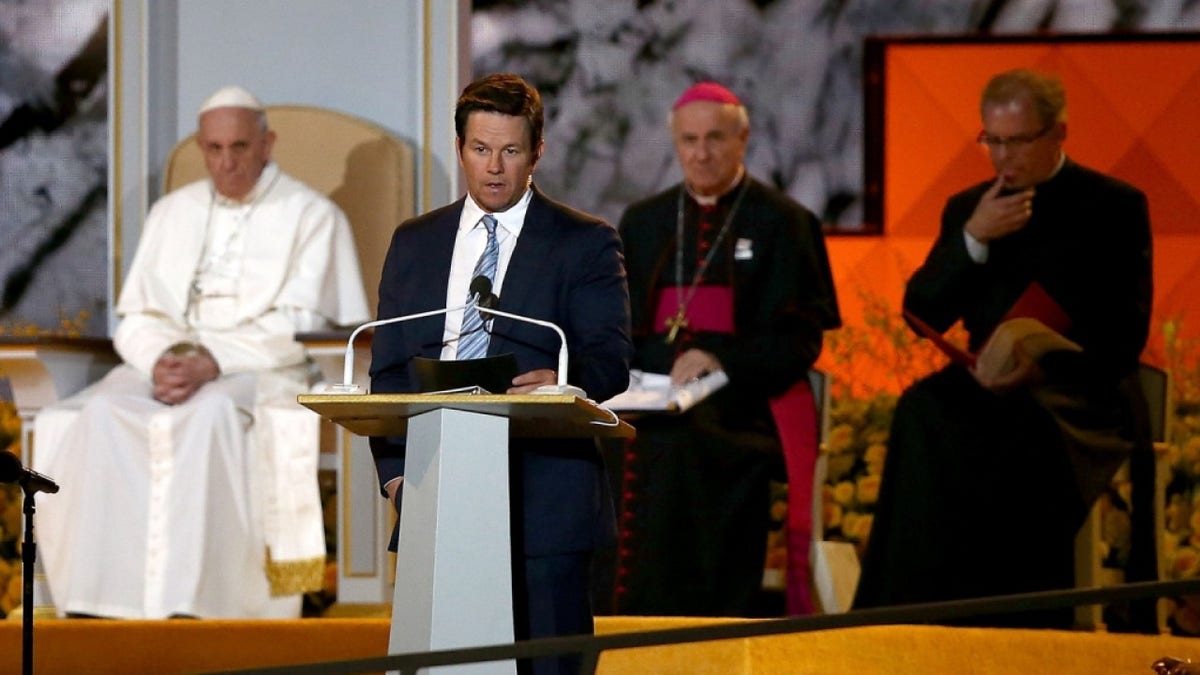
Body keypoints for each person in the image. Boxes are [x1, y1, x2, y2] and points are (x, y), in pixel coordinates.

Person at [32, 85, 370, 619]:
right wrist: (161, 361)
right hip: (163, 364)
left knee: (209, 415)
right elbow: (139, 314)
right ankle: (102, 600)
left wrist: (213, 361)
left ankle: (203, 602)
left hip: (259, 368)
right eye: (213, 149)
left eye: (239, 147)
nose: (227, 162)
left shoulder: (312, 216)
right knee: (101, 414)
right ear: (201, 148)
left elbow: (305, 322)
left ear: (267, 144)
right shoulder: (172, 212)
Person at [853, 69, 1155, 628]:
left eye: (1018, 141)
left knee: (1015, 437)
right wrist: (975, 240)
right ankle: (904, 621)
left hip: (1079, 393)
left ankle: (1015, 627)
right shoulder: (970, 206)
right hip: (987, 380)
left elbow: (1125, 332)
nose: (1002, 157)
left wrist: (1043, 363)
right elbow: (922, 312)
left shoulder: (1114, 205)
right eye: (992, 140)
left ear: (1057, 133)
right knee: (921, 409)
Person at [368, 73, 631, 674]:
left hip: (546, 500)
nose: (494, 168)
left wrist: (564, 381)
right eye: (480, 150)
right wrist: (396, 478)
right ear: (460, 149)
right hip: (437, 493)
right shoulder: (415, 243)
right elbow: (388, 371)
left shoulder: (584, 243)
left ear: (537, 151)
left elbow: (609, 357)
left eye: (510, 151)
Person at [613, 82, 840, 617]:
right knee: (605, 441)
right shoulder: (643, 222)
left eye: (715, 138)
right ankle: (615, 616)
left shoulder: (785, 222)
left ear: (743, 139)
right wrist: (661, 371)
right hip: (652, 396)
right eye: (688, 141)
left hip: (745, 403)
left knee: (688, 445)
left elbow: (801, 338)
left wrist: (721, 362)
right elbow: (619, 330)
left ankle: (698, 616)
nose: (701, 153)